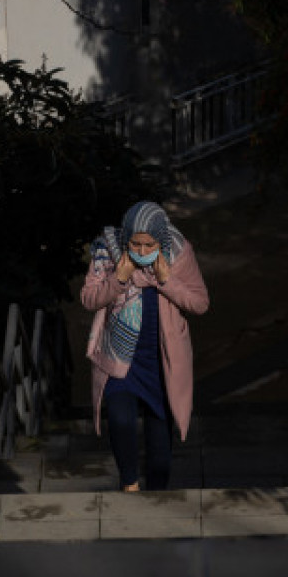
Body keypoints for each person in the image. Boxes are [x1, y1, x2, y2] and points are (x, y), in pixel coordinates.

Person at [81, 201, 209, 491]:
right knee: (120, 420)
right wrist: (119, 279)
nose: (141, 251)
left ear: (160, 240)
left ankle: (157, 496)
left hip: (162, 361)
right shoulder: (107, 251)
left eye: (149, 245)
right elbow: (89, 298)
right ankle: (129, 484)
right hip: (120, 357)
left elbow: (200, 303)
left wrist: (166, 280)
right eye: (135, 244)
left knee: (160, 445)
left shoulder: (179, 252)